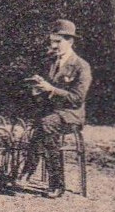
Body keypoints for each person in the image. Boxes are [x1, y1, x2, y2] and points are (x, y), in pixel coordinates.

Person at [20, 19, 92, 197]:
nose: (54, 46)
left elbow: (77, 99)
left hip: (71, 115)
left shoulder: (82, 66)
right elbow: (46, 94)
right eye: (52, 41)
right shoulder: (50, 63)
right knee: (42, 124)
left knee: (45, 125)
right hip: (52, 114)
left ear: (70, 41)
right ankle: (29, 172)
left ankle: (55, 183)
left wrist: (52, 89)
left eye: (58, 42)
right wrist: (38, 90)